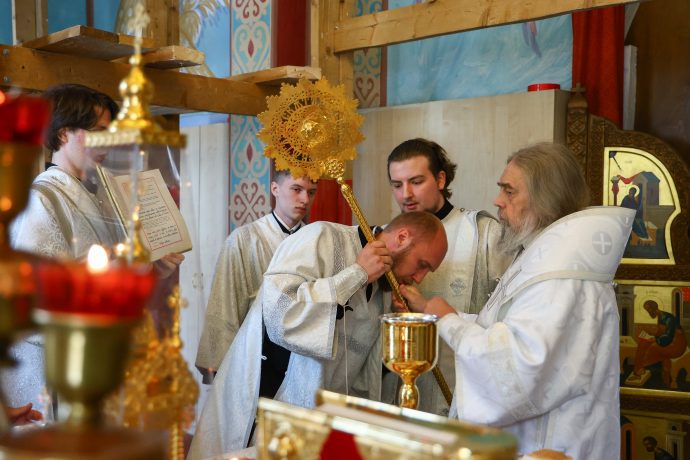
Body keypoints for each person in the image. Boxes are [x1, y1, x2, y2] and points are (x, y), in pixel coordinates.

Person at [398, 143, 634, 458]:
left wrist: (449, 322)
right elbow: (508, 329)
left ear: (545, 199)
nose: (498, 201)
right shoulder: (545, 260)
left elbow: (518, 370)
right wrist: (436, 311)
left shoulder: (559, 279)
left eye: (509, 192)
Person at [188, 211, 448, 459]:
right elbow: (279, 313)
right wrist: (356, 274)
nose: (419, 278)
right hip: (267, 404)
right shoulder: (322, 237)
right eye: (421, 265)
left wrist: (396, 327)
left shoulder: (386, 290)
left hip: (318, 423)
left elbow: (364, 377)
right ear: (402, 237)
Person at [386, 138, 512, 414]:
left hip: (464, 382)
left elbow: (507, 313)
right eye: (397, 185)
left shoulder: (483, 233)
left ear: (440, 179)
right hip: (403, 383)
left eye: (416, 182)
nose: (406, 194)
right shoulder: (391, 237)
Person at [194, 168, 318, 383]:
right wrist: (218, 363)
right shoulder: (244, 239)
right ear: (275, 188)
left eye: (311, 192)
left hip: (305, 359)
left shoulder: (317, 241)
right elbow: (226, 301)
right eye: (296, 189)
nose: (305, 199)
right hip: (256, 356)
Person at [626, 300, 687, 387]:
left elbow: (668, 337)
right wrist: (650, 333)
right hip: (666, 342)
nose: (648, 312)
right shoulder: (660, 316)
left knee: (653, 347)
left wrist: (654, 339)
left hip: (676, 345)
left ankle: (641, 367)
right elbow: (661, 333)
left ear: (654, 308)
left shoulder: (668, 318)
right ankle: (638, 369)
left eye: (649, 310)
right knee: (643, 342)